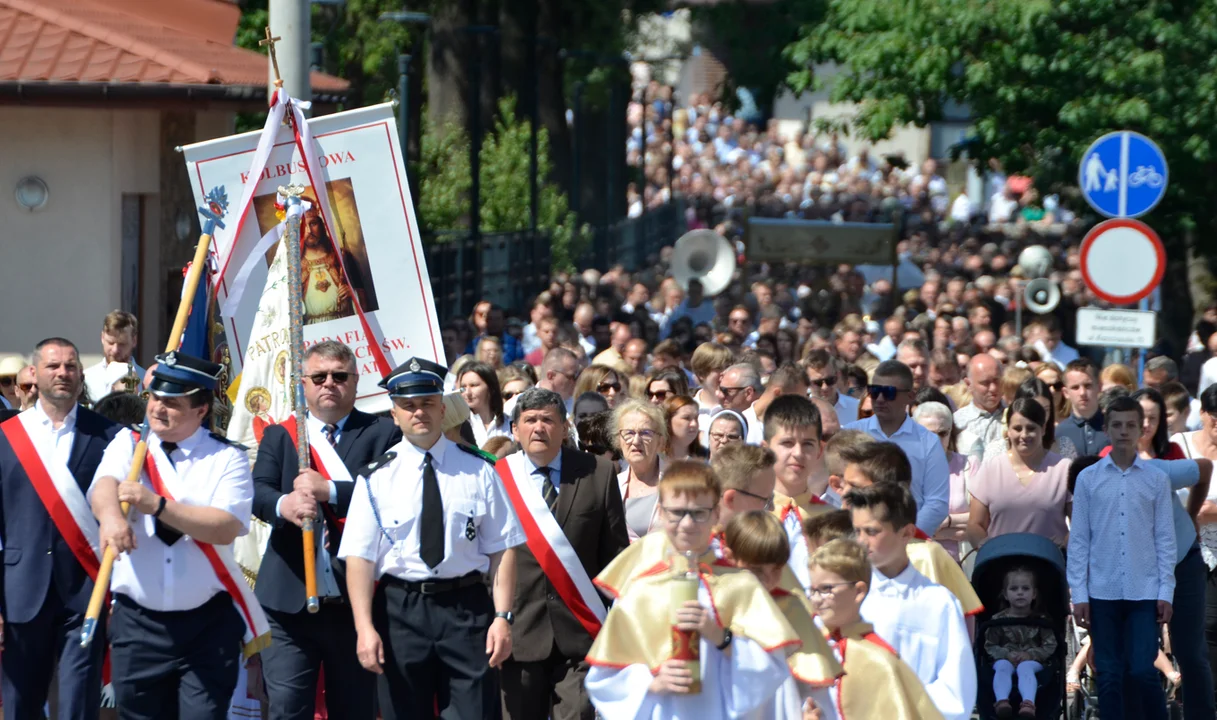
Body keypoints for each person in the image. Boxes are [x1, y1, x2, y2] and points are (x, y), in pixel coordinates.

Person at [338, 357, 523, 719]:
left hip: (466, 609)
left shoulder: (479, 469)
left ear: (442, 408)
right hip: (400, 612)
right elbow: (360, 558)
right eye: (408, 406)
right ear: (394, 414)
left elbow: (502, 549)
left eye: (426, 403)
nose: (418, 412)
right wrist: (364, 628)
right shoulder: (375, 478)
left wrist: (502, 616)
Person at [89, 351, 269, 719]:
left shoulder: (226, 458)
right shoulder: (130, 445)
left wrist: (157, 506)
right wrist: (110, 519)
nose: (157, 409)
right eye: (154, 397)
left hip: (206, 626)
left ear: (201, 409)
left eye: (172, 403)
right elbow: (103, 486)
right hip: (138, 625)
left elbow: (225, 526)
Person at [250, 341, 401, 720]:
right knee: (286, 709)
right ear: (303, 383)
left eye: (339, 376)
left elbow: (392, 494)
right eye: (319, 377)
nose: (329, 384)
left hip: (355, 606)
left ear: (355, 380)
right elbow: (257, 491)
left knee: (355, 710)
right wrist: (285, 504)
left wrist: (329, 490)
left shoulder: (383, 433)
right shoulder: (282, 435)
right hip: (288, 602)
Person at [584, 461, 800, 719]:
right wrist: (650, 683)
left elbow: (772, 667)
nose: (687, 524)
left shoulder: (741, 585)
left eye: (699, 513)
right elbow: (605, 677)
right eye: (677, 513)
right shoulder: (641, 590)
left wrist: (721, 637)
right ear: (661, 513)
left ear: (716, 514)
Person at [0, 337, 120, 720]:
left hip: (84, 589)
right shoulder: (5, 437)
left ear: (81, 375)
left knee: (78, 708)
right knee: (20, 707)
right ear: (33, 374)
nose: (63, 373)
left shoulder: (108, 435)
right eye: (53, 366)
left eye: (70, 366)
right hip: (19, 592)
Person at [497, 387, 629, 720]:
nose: (538, 428)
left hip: (581, 633)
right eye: (529, 420)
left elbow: (615, 553)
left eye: (547, 420)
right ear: (514, 429)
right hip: (520, 632)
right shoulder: (496, 477)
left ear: (564, 426)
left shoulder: (597, 472)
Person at [1068, 395, 1176, 720]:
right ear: (1106, 428)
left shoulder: (1156, 479)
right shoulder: (1089, 479)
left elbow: (1165, 540)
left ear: (1141, 428)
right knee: (1110, 673)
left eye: (1131, 424)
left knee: (1143, 670)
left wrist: (1165, 591)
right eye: (1117, 424)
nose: (1124, 431)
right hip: (1102, 591)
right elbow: (1079, 542)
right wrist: (1079, 594)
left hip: (1144, 591)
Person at [846, 482, 977, 720]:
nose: (862, 541)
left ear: (906, 533)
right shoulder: (847, 597)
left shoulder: (938, 603)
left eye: (872, 531)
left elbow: (956, 688)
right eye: (857, 531)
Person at [809, 539, 946, 720]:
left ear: (858, 592)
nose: (817, 599)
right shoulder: (817, 650)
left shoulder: (877, 662)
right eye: (812, 590)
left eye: (826, 589)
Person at [723, 511, 842, 720]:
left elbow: (814, 690)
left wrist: (812, 711)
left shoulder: (792, 610)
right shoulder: (718, 607)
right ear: (730, 558)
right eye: (757, 571)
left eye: (777, 569)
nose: (768, 580)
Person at [845, 360, 950, 537]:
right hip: (857, 541)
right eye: (874, 391)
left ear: (910, 396)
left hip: (908, 545)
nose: (879, 399)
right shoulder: (850, 434)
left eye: (888, 393)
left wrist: (905, 538)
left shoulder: (929, 442)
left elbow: (936, 503)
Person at [967, 399, 1071, 546]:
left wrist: (1064, 545)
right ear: (1008, 430)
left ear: (1043, 429)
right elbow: (975, 525)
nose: (1024, 435)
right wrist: (985, 546)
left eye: (1031, 428)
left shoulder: (1064, 469)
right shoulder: (990, 469)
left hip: (1049, 563)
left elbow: (1079, 526)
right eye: (1017, 428)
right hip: (1001, 562)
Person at [763, 395, 831, 593]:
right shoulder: (751, 514)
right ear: (766, 449)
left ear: (819, 450)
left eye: (808, 444)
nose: (798, 453)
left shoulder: (831, 519)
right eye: (787, 443)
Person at [984, 567, 1057, 719]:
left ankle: (1028, 704)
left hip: (1033, 661)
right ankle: (1002, 702)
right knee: (1002, 666)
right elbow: (990, 645)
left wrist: (1031, 654)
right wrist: (1006, 654)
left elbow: (1050, 645)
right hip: (1005, 658)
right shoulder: (997, 621)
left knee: (1025, 667)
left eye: (1025, 588)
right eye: (1014, 588)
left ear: (1034, 594)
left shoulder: (1042, 620)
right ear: (1005, 594)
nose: (1020, 592)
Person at [913, 402, 974, 560]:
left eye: (942, 433)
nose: (936, 440)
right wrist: (958, 528)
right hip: (919, 563)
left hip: (962, 564)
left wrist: (946, 522)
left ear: (950, 432)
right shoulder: (904, 469)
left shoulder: (969, 465)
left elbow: (982, 519)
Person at [983, 378, 1078, 461]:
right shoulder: (996, 451)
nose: (1040, 416)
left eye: (1046, 410)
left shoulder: (1063, 447)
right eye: (1034, 410)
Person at [614, 399, 668, 541]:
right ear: (619, 440)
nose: (636, 441)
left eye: (645, 433)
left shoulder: (678, 481)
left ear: (660, 442)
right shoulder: (613, 485)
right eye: (629, 433)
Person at [83, 310, 146, 404]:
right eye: (111, 343)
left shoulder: (146, 380)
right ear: (102, 338)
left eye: (122, 344)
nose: (115, 350)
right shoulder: (87, 378)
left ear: (134, 341)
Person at [742, 364, 810, 445]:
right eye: (798, 400)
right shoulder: (741, 425)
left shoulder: (797, 428)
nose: (801, 406)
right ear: (778, 393)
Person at [954, 354, 1003, 461]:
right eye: (985, 383)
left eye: (997, 380)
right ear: (968, 384)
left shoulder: (1014, 416)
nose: (993, 388)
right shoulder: (958, 422)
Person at [1056, 358, 1109, 456]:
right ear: (1066, 393)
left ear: (1099, 387)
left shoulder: (1113, 427)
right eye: (1075, 387)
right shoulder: (1059, 433)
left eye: (1088, 386)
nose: (1082, 393)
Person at [458, 362, 511, 448]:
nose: (467, 393)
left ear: (491, 388)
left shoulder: (509, 423)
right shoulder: (458, 428)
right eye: (463, 387)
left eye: (473, 385)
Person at [804, 350, 859, 425]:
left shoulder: (857, 408)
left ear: (838, 375)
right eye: (818, 382)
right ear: (807, 382)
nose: (825, 387)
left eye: (830, 380)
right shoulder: (800, 412)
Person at [663, 394, 706, 461]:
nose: (694, 424)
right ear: (668, 420)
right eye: (686, 418)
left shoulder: (705, 458)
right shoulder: (653, 459)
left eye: (696, 418)